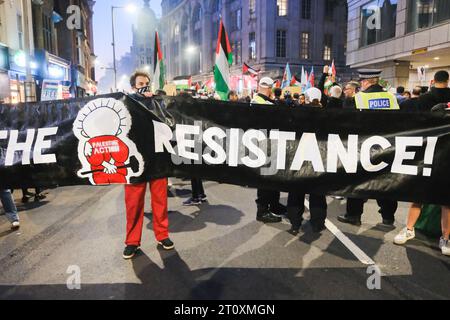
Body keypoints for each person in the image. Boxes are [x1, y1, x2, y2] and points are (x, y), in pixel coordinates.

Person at [338, 69, 399, 228]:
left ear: (365, 82)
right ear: (377, 81)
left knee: (357, 182)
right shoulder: (391, 98)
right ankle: (388, 217)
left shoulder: (358, 98)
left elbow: (346, 121)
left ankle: (354, 215)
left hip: (362, 148)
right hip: (387, 147)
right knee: (385, 182)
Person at [123, 71, 174, 260]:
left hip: (157, 159)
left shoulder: (158, 103)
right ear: (133, 87)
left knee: (160, 201)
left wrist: (157, 101)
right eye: (140, 83)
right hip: (135, 161)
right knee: (133, 204)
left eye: (146, 83)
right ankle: (132, 242)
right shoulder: (126, 103)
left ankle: (163, 235)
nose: (144, 86)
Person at [251, 77, 285, 223]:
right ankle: (263, 211)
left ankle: (274, 205)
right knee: (265, 179)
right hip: (264, 145)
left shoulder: (257, 101)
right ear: (269, 88)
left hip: (268, 144)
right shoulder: (262, 103)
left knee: (272, 177)